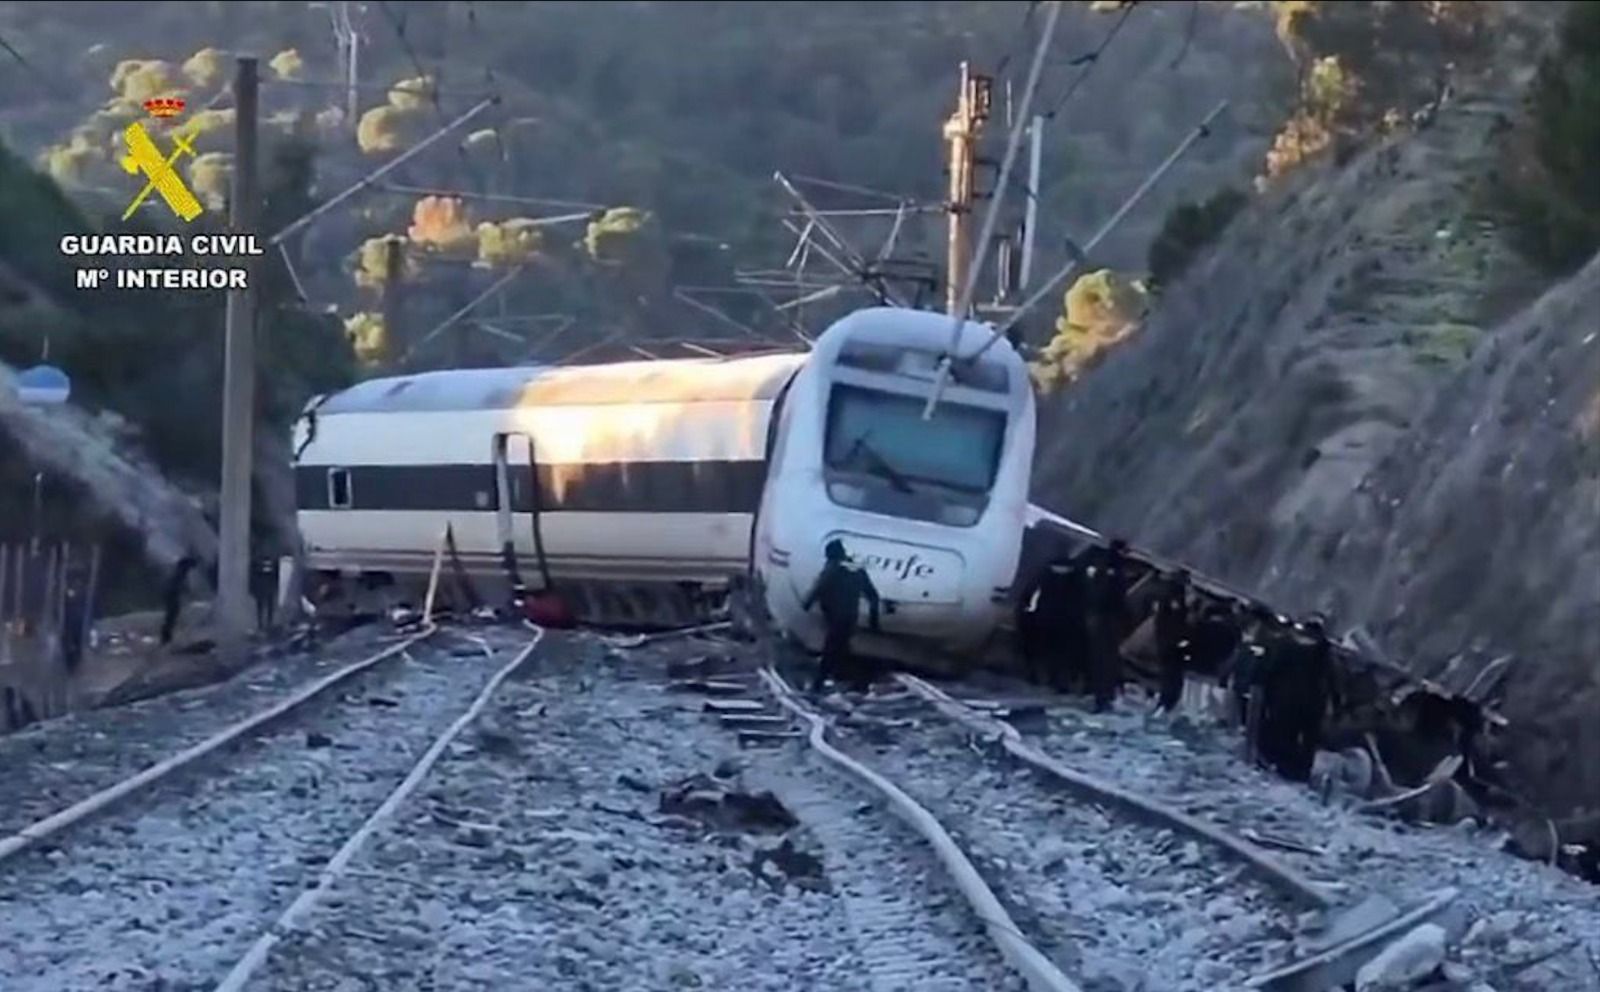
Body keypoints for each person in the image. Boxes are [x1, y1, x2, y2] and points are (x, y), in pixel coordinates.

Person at [802, 538, 881, 693]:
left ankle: (819, 684)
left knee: (831, 650)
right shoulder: (857, 570)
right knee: (842, 649)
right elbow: (873, 595)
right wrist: (874, 620)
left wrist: (806, 604)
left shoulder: (833, 569)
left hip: (835, 616)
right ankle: (858, 683)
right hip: (850, 616)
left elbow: (819, 587)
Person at [1016, 555, 1089, 692]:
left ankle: (1043, 678)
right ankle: (1060, 682)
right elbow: (1083, 602)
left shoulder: (1044, 575)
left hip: (1045, 618)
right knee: (1062, 654)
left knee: (1044, 651)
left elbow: (1029, 595)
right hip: (1067, 622)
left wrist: (1027, 610)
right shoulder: (1077, 579)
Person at [1083, 538, 1132, 713]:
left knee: (1101, 659)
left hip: (1100, 618)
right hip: (1108, 619)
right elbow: (1114, 596)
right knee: (1107, 659)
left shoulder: (1102, 567)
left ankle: (1102, 695)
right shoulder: (1115, 570)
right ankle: (1105, 697)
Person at [1151, 568, 1193, 714]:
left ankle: (1166, 703)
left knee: (1168, 675)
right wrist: (1181, 639)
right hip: (1172, 644)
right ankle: (1167, 704)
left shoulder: (1166, 594)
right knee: (1172, 676)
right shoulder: (1174, 596)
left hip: (1165, 641)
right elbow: (1176, 621)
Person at [160, 555, 199, 647]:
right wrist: (187, 593)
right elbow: (179, 585)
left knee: (171, 615)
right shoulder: (181, 571)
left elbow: (180, 585)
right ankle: (165, 638)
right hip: (171, 594)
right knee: (171, 615)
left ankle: (166, 637)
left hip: (170, 594)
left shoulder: (179, 570)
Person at [250, 555, 278, 632]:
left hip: (267, 588)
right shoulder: (256, 564)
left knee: (268, 606)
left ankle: (268, 623)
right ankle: (262, 624)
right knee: (262, 607)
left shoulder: (273, 564)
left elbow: (275, 577)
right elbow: (254, 577)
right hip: (262, 588)